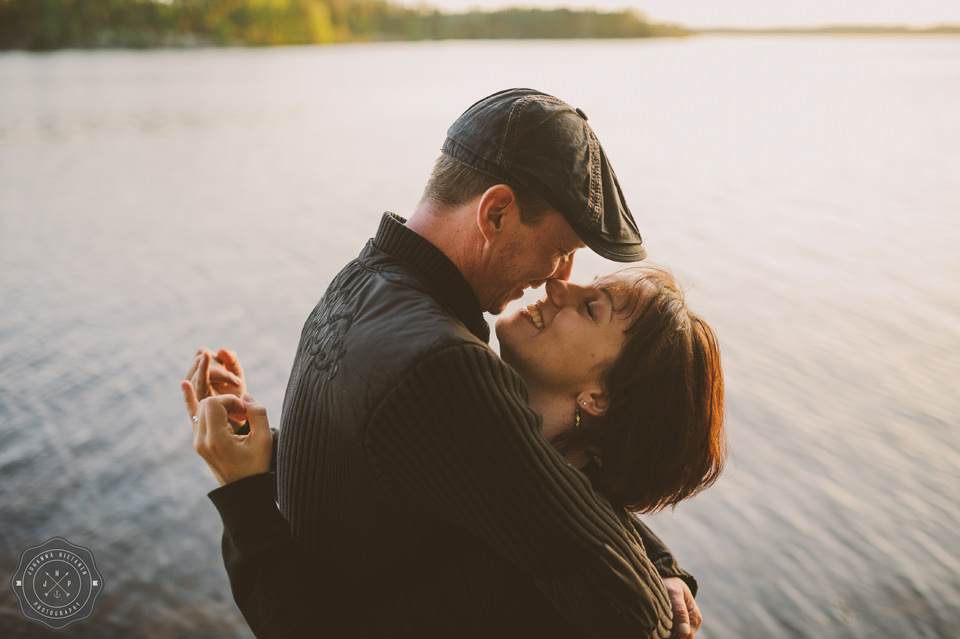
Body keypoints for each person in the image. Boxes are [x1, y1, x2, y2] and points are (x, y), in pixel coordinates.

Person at [183, 88, 710, 638]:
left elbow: (524, 482)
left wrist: (256, 470)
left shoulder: (361, 282)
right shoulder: (446, 365)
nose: (560, 276)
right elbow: (637, 616)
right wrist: (244, 495)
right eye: (561, 246)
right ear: (497, 212)